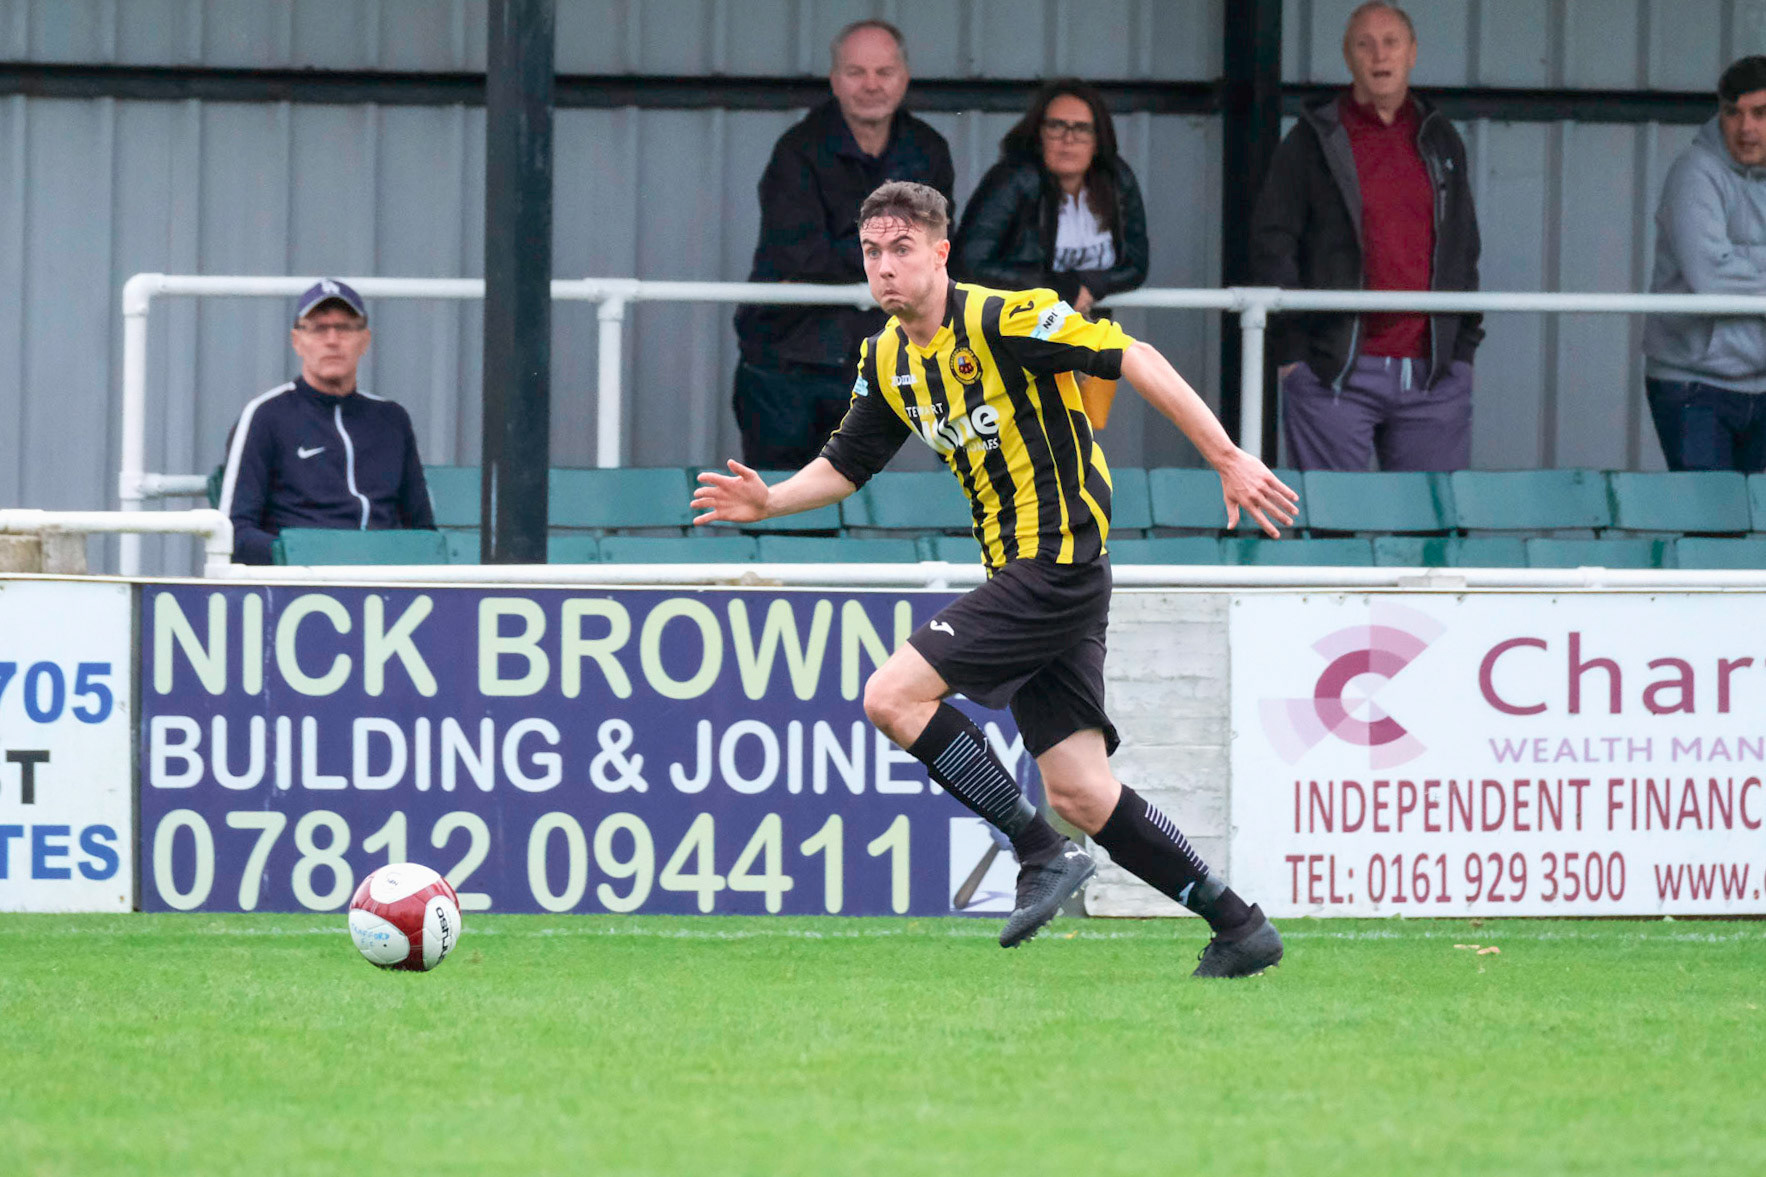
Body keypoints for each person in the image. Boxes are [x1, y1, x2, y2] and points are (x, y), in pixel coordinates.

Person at [694, 181, 1297, 977]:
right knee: (1082, 789)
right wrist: (770, 499)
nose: (884, 267)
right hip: (1035, 575)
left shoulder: (1002, 317)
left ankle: (1038, 850)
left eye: (902, 249)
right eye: (873, 251)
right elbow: (848, 463)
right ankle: (1238, 925)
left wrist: (1226, 456)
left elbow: (1134, 356)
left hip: (1057, 560)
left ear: (941, 254)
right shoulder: (887, 357)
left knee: (891, 695)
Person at [1250, 1, 1482, 471]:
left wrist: (1461, 355)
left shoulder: (1441, 139)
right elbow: (1272, 242)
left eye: (1391, 43)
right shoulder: (1313, 139)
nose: (1380, 56)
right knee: (1332, 533)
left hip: (1432, 374)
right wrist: (1294, 357)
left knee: (1431, 534)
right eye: (1365, 44)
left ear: (1412, 53)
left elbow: (1464, 247)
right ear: (1348, 56)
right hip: (1334, 369)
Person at [731, 19, 955, 471]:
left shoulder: (927, 149)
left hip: (874, 357)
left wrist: (875, 254)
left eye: (884, 72)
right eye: (856, 72)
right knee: (778, 514)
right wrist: (898, 252)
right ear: (835, 81)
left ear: (904, 78)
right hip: (786, 360)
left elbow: (937, 247)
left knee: (855, 509)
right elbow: (801, 255)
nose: (871, 85)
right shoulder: (797, 150)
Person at [217, 279, 435, 565]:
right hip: (298, 582)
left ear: (365, 340)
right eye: (319, 328)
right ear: (297, 341)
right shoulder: (266, 415)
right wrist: (302, 553)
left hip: (386, 580)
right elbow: (234, 532)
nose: (332, 340)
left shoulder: (392, 419)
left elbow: (423, 530)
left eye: (344, 327)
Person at [1643, 56, 1766, 472]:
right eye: (1733, 113)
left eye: (1761, 113)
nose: (1746, 128)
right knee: (1712, 531)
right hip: (1694, 386)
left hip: (1763, 384)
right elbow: (1711, 275)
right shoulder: (1695, 173)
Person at [952, 78, 1148, 315]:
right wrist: (1055, 288)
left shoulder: (1117, 179)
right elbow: (968, 263)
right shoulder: (1014, 180)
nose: (1068, 139)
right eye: (1056, 126)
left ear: (1098, 141)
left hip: (1090, 332)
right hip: (1018, 329)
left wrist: (1094, 284)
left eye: (1082, 128)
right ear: (1039, 134)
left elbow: (1135, 265)